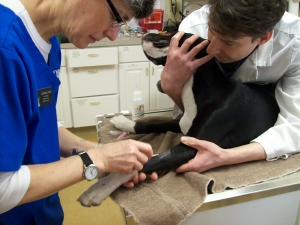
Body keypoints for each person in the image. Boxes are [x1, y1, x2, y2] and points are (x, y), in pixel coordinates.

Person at [0, 0, 157, 224]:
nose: (114, 35)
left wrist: (103, 154)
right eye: (117, 18)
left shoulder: (49, 39)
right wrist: (95, 160)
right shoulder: (5, 48)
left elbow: (39, 124)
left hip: (42, 210)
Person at [160, 0, 300, 173]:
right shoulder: (193, 28)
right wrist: (171, 87)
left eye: (229, 42)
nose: (212, 50)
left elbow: (296, 125)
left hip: (259, 123)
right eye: (212, 30)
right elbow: (190, 111)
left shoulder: (294, 42)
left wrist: (226, 157)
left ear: (264, 37)